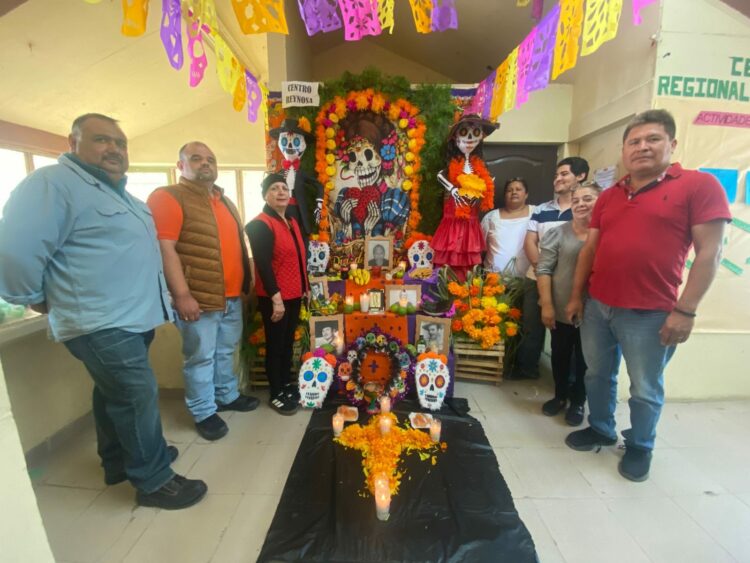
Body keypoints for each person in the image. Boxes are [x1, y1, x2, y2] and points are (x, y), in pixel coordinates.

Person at [0, 114, 207, 510]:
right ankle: (154, 480)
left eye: (120, 142)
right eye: (101, 139)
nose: (114, 148)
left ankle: (119, 461)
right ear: (73, 142)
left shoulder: (121, 197)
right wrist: (33, 298)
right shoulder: (52, 185)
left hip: (132, 318)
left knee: (114, 392)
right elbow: (13, 253)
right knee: (136, 393)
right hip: (100, 322)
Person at [564, 109, 731, 482]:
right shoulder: (609, 196)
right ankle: (601, 428)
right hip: (598, 305)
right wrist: (576, 297)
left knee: (644, 387)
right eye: (634, 141)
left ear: (672, 144)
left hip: (651, 312)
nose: (642, 147)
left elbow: (711, 252)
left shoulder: (698, 186)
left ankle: (640, 445)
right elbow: (590, 250)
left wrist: (685, 311)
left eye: (653, 139)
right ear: (624, 150)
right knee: (597, 373)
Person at [147, 142, 259, 442]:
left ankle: (226, 395)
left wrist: (245, 285)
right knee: (200, 357)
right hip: (199, 297)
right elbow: (164, 248)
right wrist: (182, 295)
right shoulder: (169, 197)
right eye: (196, 159)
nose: (205, 163)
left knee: (225, 351)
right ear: (180, 165)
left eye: (210, 159)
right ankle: (203, 412)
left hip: (231, 296)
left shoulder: (225, 201)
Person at [511, 157, 589, 379]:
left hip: (570, 282)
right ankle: (527, 369)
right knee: (531, 326)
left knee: (569, 332)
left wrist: (559, 275)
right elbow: (530, 242)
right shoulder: (542, 209)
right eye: (556, 175)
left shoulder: (583, 210)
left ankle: (569, 381)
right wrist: (542, 269)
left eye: (564, 174)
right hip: (536, 277)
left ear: (580, 176)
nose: (558, 179)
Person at [536, 182, 601, 426]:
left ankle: (578, 402)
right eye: (576, 200)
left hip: (595, 311)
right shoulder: (558, 233)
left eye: (588, 199)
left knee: (586, 360)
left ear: (600, 202)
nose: (581, 204)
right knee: (560, 354)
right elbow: (544, 269)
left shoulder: (607, 233)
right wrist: (547, 305)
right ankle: (560, 395)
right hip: (561, 308)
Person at [246, 173, 308, 415]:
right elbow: (263, 264)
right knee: (276, 345)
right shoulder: (260, 224)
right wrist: (276, 298)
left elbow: (298, 259)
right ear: (265, 195)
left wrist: (306, 288)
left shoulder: (291, 222)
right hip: (276, 298)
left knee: (287, 343)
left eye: (284, 187)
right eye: (274, 188)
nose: (281, 191)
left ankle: (285, 385)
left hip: (294, 294)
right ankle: (275, 393)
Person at [432, 114, 498, 280]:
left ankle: (465, 292)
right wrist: (453, 190)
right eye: (464, 132)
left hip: (471, 222)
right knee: (448, 262)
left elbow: (486, 185)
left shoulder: (480, 167)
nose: (469, 138)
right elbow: (440, 175)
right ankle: (447, 291)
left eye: (475, 132)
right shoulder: (452, 165)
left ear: (481, 136)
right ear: (456, 136)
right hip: (452, 220)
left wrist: (481, 193)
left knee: (469, 265)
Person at [481, 177, 535, 276]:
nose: (514, 192)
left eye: (518, 189)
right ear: (505, 195)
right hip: (493, 281)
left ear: (526, 194)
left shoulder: (536, 213)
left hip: (528, 281)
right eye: (509, 190)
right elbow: (480, 248)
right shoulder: (491, 217)